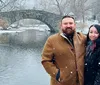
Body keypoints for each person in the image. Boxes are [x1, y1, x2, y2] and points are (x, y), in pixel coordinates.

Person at [41, 15, 86, 85]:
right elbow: (45, 60)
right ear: (61, 25)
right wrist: (57, 74)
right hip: (61, 82)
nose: (68, 25)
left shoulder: (82, 38)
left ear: (74, 25)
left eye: (71, 23)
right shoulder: (52, 40)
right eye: (65, 24)